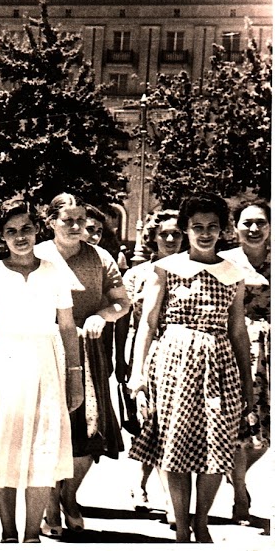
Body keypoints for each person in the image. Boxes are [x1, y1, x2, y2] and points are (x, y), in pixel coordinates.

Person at [128, 193, 252, 543]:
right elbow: (148, 324)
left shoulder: (233, 272)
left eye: (213, 226)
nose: (205, 233)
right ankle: (182, 527)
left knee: (216, 445)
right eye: (197, 226)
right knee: (175, 445)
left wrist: (246, 382)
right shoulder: (166, 269)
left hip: (219, 364)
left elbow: (238, 330)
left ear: (222, 230)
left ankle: (201, 521)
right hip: (173, 363)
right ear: (186, 229)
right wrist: (137, 375)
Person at [0, 198, 81, 543]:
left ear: (37, 230)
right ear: (1, 236)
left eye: (26, 229)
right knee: (5, 445)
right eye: (11, 231)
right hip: (3, 367)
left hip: (45, 365)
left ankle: (32, 534)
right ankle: (8, 532)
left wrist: (75, 377)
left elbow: (68, 327)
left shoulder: (54, 272)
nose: (20, 237)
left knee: (42, 447)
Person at [34, 193, 130, 537]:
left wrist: (102, 316)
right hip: (44, 350)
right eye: (67, 220)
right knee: (46, 429)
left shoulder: (101, 257)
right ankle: (48, 506)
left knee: (89, 431)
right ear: (51, 222)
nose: (76, 227)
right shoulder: (37, 254)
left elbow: (123, 302)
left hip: (89, 354)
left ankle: (69, 495)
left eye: (81, 221)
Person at [117, 209, 183, 521]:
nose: (170, 239)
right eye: (164, 234)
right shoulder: (136, 275)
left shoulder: (190, 270)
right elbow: (127, 323)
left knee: (168, 427)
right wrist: (127, 364)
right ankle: (145, 487)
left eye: (176, 234)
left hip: (178, 355)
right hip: (144, 351)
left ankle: (163, 495)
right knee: (146, 424)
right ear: (153, 238)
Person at [220, 199, 270, 526]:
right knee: (241, 427)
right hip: (236, 348)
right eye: (246, 223)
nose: (253, 229)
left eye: (261, 223)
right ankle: (240, 493)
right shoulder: (225, 262)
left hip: (270, 352)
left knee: (265, 435)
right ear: (235, 227)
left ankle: (234, 473)